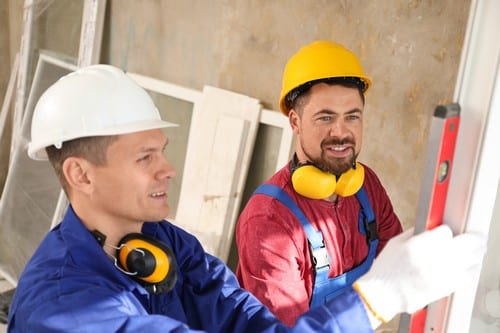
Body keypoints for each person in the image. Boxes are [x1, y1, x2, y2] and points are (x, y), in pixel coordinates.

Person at [7, 64, 485, 332]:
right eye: (144, 157)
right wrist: (380, 297)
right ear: (80, 175)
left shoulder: (165, 245)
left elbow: (255, 327)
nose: (167, 168)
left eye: (163, 151)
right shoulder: (66, 309)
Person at [236, 40, 403, 325]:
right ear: (295, 121)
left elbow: (396, 265)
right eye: (325, 117)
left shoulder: (366, 187)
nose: (341, 132)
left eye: (352, 117)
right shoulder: (269, 220)